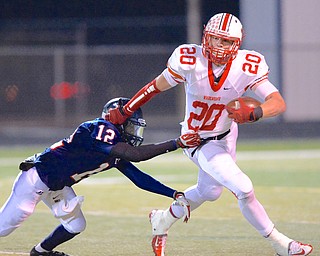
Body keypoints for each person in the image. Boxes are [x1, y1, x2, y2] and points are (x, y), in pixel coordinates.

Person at [106, 13, 313, 256]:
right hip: (197, 139)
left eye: (226, 42)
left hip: (226, 135)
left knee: (210, 192)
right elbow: (154, 87)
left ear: (237, 44)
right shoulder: (189, 59)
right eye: (215, 39)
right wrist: (126, 109)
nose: (219, 46)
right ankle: (282, 245)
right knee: (244, 189)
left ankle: (162, 219)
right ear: (205, 36)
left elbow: (277, 102)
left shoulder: (247, 65)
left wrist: (257, 112)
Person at [0, 97, 201, 256]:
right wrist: (176, 143)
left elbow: (138, 178)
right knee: (5, 227)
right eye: (131, 126)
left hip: (57, 185)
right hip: (38, 177)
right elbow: (136, 156)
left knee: (76, 224)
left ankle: (41, 252)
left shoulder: (115, 149)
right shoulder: (98, 128)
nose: (134, 132)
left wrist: (173, 193)